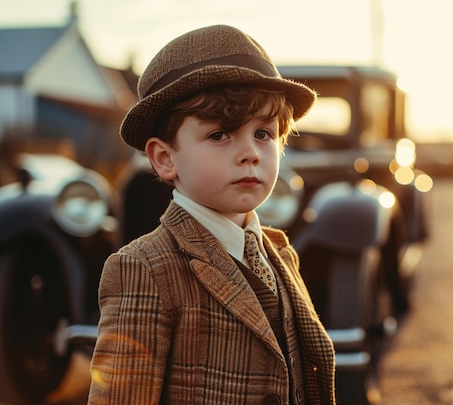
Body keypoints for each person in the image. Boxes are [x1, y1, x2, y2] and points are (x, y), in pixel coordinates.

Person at [87, 24, 336, 405]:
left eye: (264, 134)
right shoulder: (142, 268)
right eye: (220, 134)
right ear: (165, 158)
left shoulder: (278, 252)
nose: (251, 152)